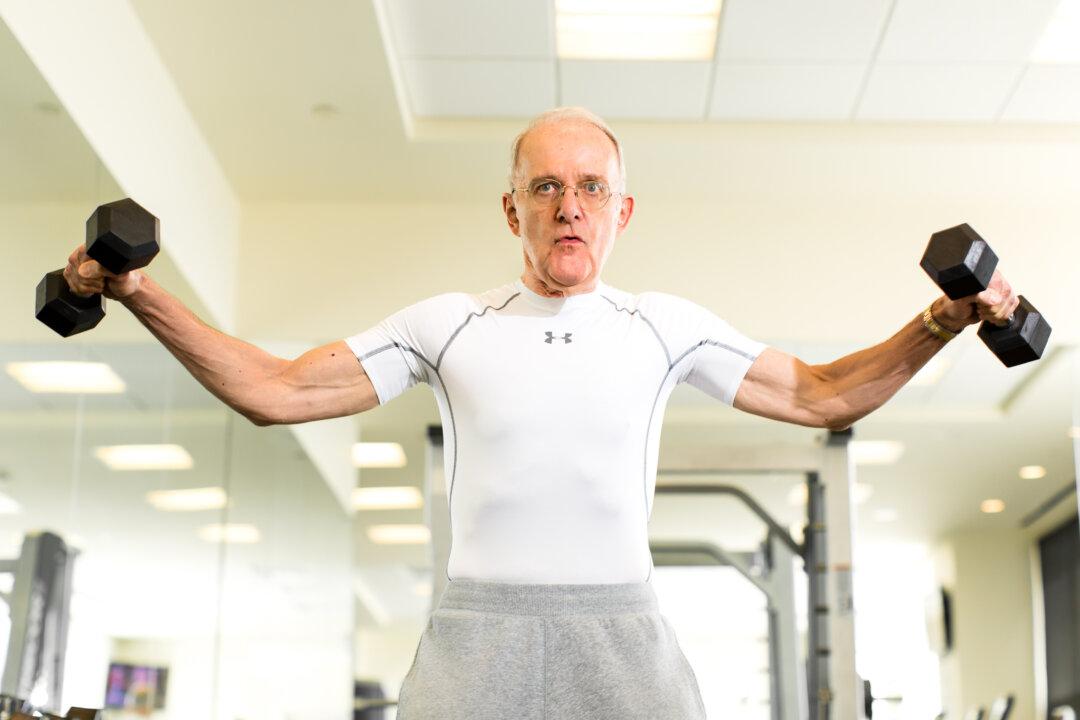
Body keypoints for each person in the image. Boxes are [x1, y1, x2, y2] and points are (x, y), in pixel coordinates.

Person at [63, 107, 1018, 719]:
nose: (570, 206)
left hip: (625, 644)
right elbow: (275, 390)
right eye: (547, 186)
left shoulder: (663, 326)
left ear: (622, 212)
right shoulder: (447, 324)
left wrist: (941, 320)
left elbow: (824, 394)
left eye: (592, 187)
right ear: (511, 208)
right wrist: (138, 293)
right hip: (474, 645)